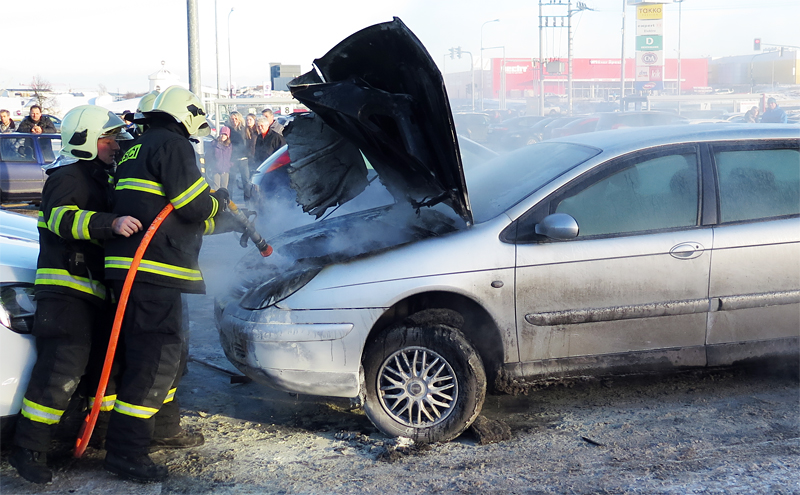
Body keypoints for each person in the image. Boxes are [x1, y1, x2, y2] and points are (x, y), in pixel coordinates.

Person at [103, 86, 230, 482]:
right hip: (154, 271)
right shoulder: (174, 146)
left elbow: (166, 211)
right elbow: (193, 205)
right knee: (155, 361)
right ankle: (126, 453)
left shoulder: (136, 148)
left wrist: (215, 217)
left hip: (134, 271)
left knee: (165, 356)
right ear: (185, 114)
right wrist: (218, 202)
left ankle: (163, 429)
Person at [9, 105, 141, 484]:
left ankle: (95, 437)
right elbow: (60, 219)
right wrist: (110, 223)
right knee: (60, 370)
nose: (115, 145)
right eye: (108, 138)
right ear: (85, 140)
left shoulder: (99, 178)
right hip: (66, 293)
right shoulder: (67, 176)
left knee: (104, 368)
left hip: (92, 293)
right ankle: (29, 447)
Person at [227, 111, 250, 191]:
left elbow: (249, 142)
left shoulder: (245, 129)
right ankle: (229, 201)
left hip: (244, 158)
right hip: (233, 158)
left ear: (239, 119)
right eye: (232, 119)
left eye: (236, 118)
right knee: (231, 181)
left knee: (246, 181)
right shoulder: (228, 130)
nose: (234, 120)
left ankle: (248, 202)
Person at [207, 126, 233, 190]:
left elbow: (232, 157)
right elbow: (209, 156)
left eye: (225, 134)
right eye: (221, 134)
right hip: (216, 170)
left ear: (228, 136)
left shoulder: (230, 146)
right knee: (216, 188)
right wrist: (212, 165)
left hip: (226, 170)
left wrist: (230, 164)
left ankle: (224, 200)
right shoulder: (214, 144)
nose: (223, 136)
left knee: (224, 188)